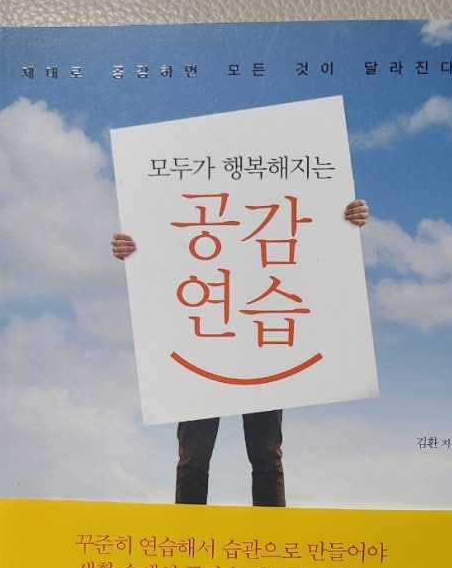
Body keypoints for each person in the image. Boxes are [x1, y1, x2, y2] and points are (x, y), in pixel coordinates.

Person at [112, 199, 370, 506]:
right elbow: (172, 242)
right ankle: (188, 534)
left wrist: (342, 223)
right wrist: (135, 250)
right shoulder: (194, 197)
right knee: (195, 458)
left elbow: (304, 238)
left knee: (265, 456)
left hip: (261, 339)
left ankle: (269, 534)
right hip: (205, 339)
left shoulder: (272, 194)